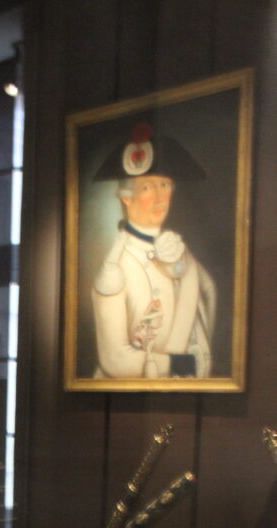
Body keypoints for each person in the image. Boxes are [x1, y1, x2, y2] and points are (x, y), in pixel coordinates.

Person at [91, 123, 216, 380]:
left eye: (165, 185)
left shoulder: (182, 252)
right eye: (148, 188)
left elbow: (210, 298)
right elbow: (114, 359)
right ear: (127, 197)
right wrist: (184, 365)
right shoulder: (116, 267)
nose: (160, 198)